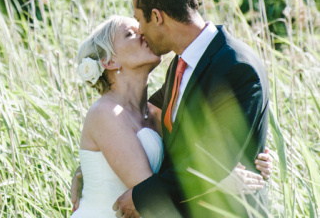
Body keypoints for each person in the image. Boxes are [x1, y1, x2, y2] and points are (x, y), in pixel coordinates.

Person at [69, 14, 270, 217]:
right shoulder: (106, 114)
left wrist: (247, 153)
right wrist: (221, 186)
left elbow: (193, 154)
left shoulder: (158, 110)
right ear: (109, 62)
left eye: (140, 28)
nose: (143, 34)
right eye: (130, 34)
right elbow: (152, 199)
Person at [113, 0, 271, 217]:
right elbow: (138, 120)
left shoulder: (236, 67)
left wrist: (142, 196)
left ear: (157, 17)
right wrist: (92, 167)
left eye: (140, 20)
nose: (140, 32)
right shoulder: (179, 64)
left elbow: (214, 159)